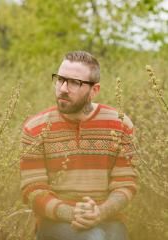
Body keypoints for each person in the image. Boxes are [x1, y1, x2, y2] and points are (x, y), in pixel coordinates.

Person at [20, 50, 137, 240]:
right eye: (60, 79)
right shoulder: (35, 128)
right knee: (93, 238)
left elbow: (126, 184)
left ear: (94, 90)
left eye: (75, 82)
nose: (63, 88)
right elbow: (33, 190)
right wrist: (71, 212)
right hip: (54, 221)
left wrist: (100, 211)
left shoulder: (120, 125)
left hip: (109, 218)